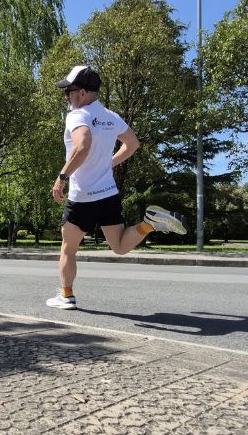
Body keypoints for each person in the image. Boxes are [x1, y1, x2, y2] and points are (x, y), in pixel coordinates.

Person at [47, 65, 187, 310]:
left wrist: (62, 176)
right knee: (120, 246)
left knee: (68, 248)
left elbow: (83, 145)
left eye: (68, 92)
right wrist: (109, 163)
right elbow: (132, 144)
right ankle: (149, 224)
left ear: (82, 93)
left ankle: (66, 296)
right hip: (108, 194)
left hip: (83, 197)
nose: (66, 97)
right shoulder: (111, 116)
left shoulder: (77, 115)